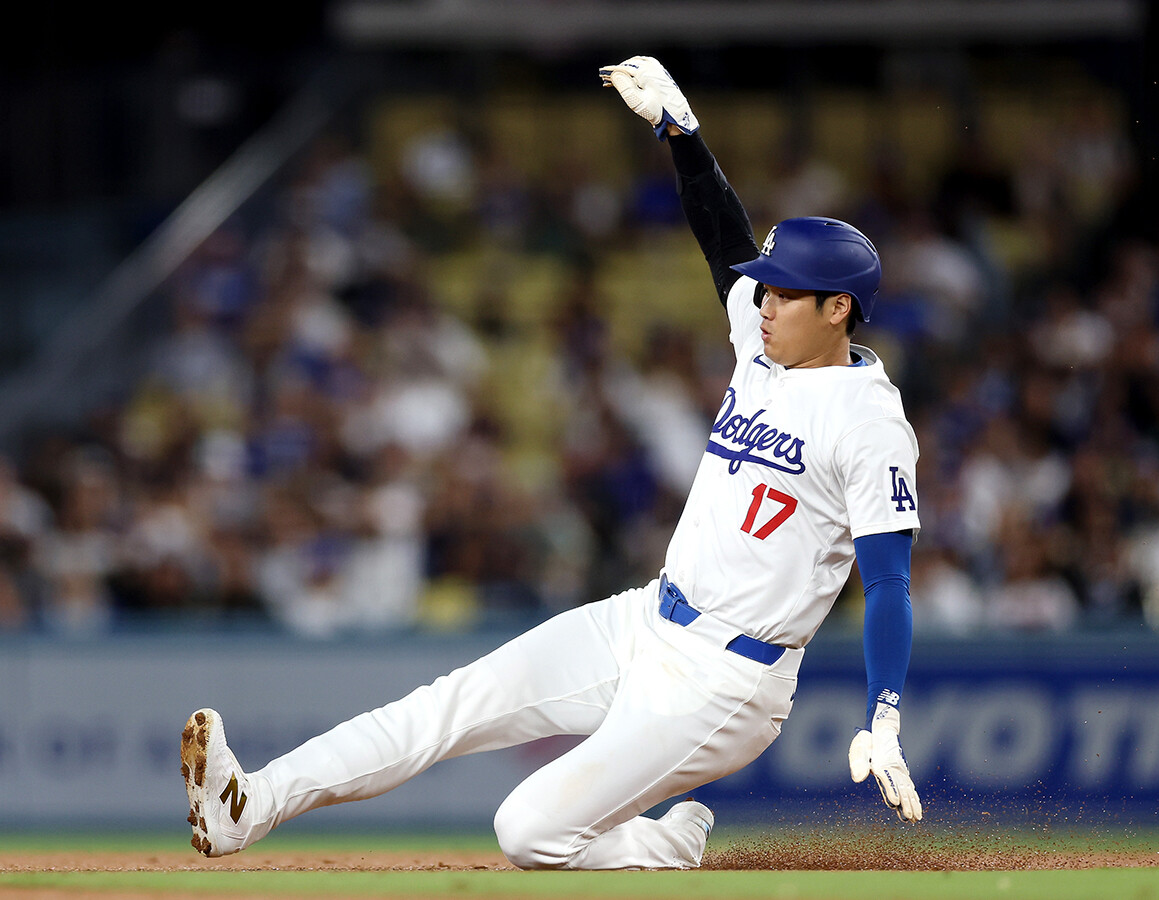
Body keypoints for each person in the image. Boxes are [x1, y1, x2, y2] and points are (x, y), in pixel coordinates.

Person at [181, 55, 923, 871]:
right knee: (449, 706)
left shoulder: (870, 422)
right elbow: (725, 242)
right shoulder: (768, 343)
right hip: (648, 618)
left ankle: (658, 849)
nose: (763, 300)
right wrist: (682, 134)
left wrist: (883, 714)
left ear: (838, 309)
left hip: (729, 680)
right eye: (767, 289)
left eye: (783, 293)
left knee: (527, 832)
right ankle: (245, 806)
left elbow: (887, 580)